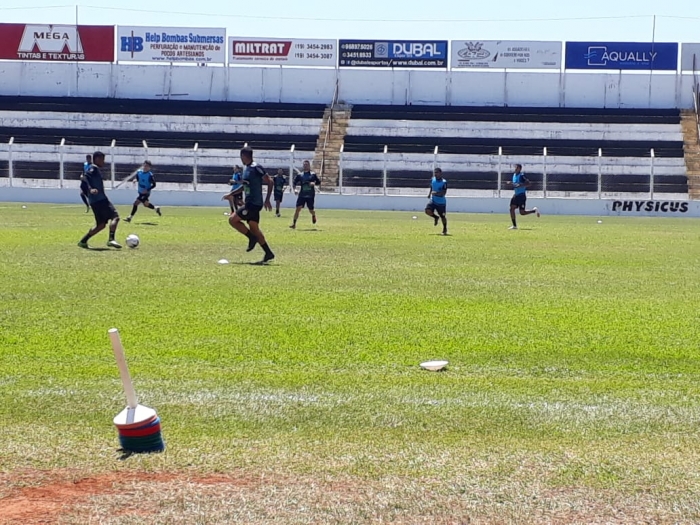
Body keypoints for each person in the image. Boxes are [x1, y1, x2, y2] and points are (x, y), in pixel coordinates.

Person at [228, 146, 275, 263]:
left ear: (244, 156)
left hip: (253, 203)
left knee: (232, 220)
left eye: (241, 157)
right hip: (251, 202)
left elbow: (270, 181)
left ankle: (251, 238)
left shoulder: (256, 167)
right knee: (254, 229)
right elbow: (245, 186)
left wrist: (267, 199)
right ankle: (268, 253)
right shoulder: (247, 169)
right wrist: (232, 194)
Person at [78, 151, 122, 249]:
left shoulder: (90, 168)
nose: (104, 162)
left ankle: (83, 241)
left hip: (94, 201)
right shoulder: (94, 168)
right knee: (115, 217)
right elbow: (86, 177)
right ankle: (111, 239)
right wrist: (90, 189)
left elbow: (83, 179)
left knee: (101, 225)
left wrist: (88, 192)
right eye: (103, 159)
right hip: (101, 200)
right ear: (97, 159)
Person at [508, 164, 540, 230]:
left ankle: (534, 210)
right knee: (511, 209)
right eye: (515, 167)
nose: (515, 169)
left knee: (522, 212)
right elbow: (515, 184)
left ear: (519, 169)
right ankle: (514, 226)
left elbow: (528, 183)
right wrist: (511, 183)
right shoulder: (514, 175)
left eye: (516, 168)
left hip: (521, 196)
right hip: (516, 195)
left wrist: (520, 185)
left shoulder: (522, 176)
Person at [290, 160, 321, 229]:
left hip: (310, 195)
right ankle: (294, 224)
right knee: (298, 209)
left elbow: (319, 182)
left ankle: (313, 215)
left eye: (307, 164)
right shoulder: (300, 175)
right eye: (304, 165)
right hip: (302, 195)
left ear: (309, 166)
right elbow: (294, 182)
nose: (305, 166)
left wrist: (314, 183)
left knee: (311, 210)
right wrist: (295, 189)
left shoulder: (313, 175)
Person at [425, 167, 448, 236]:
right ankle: (435, 217)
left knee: (443, 217)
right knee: (427, 211)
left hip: (441, 203)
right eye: (435, 173)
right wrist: (429, 194)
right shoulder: (433, 180)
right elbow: (432, 187)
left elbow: (443, 193)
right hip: (433, 200)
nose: (435, 174)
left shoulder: (444, 182)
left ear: (440, 173)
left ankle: (444, 229)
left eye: (437, 173)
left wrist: (436, 193)